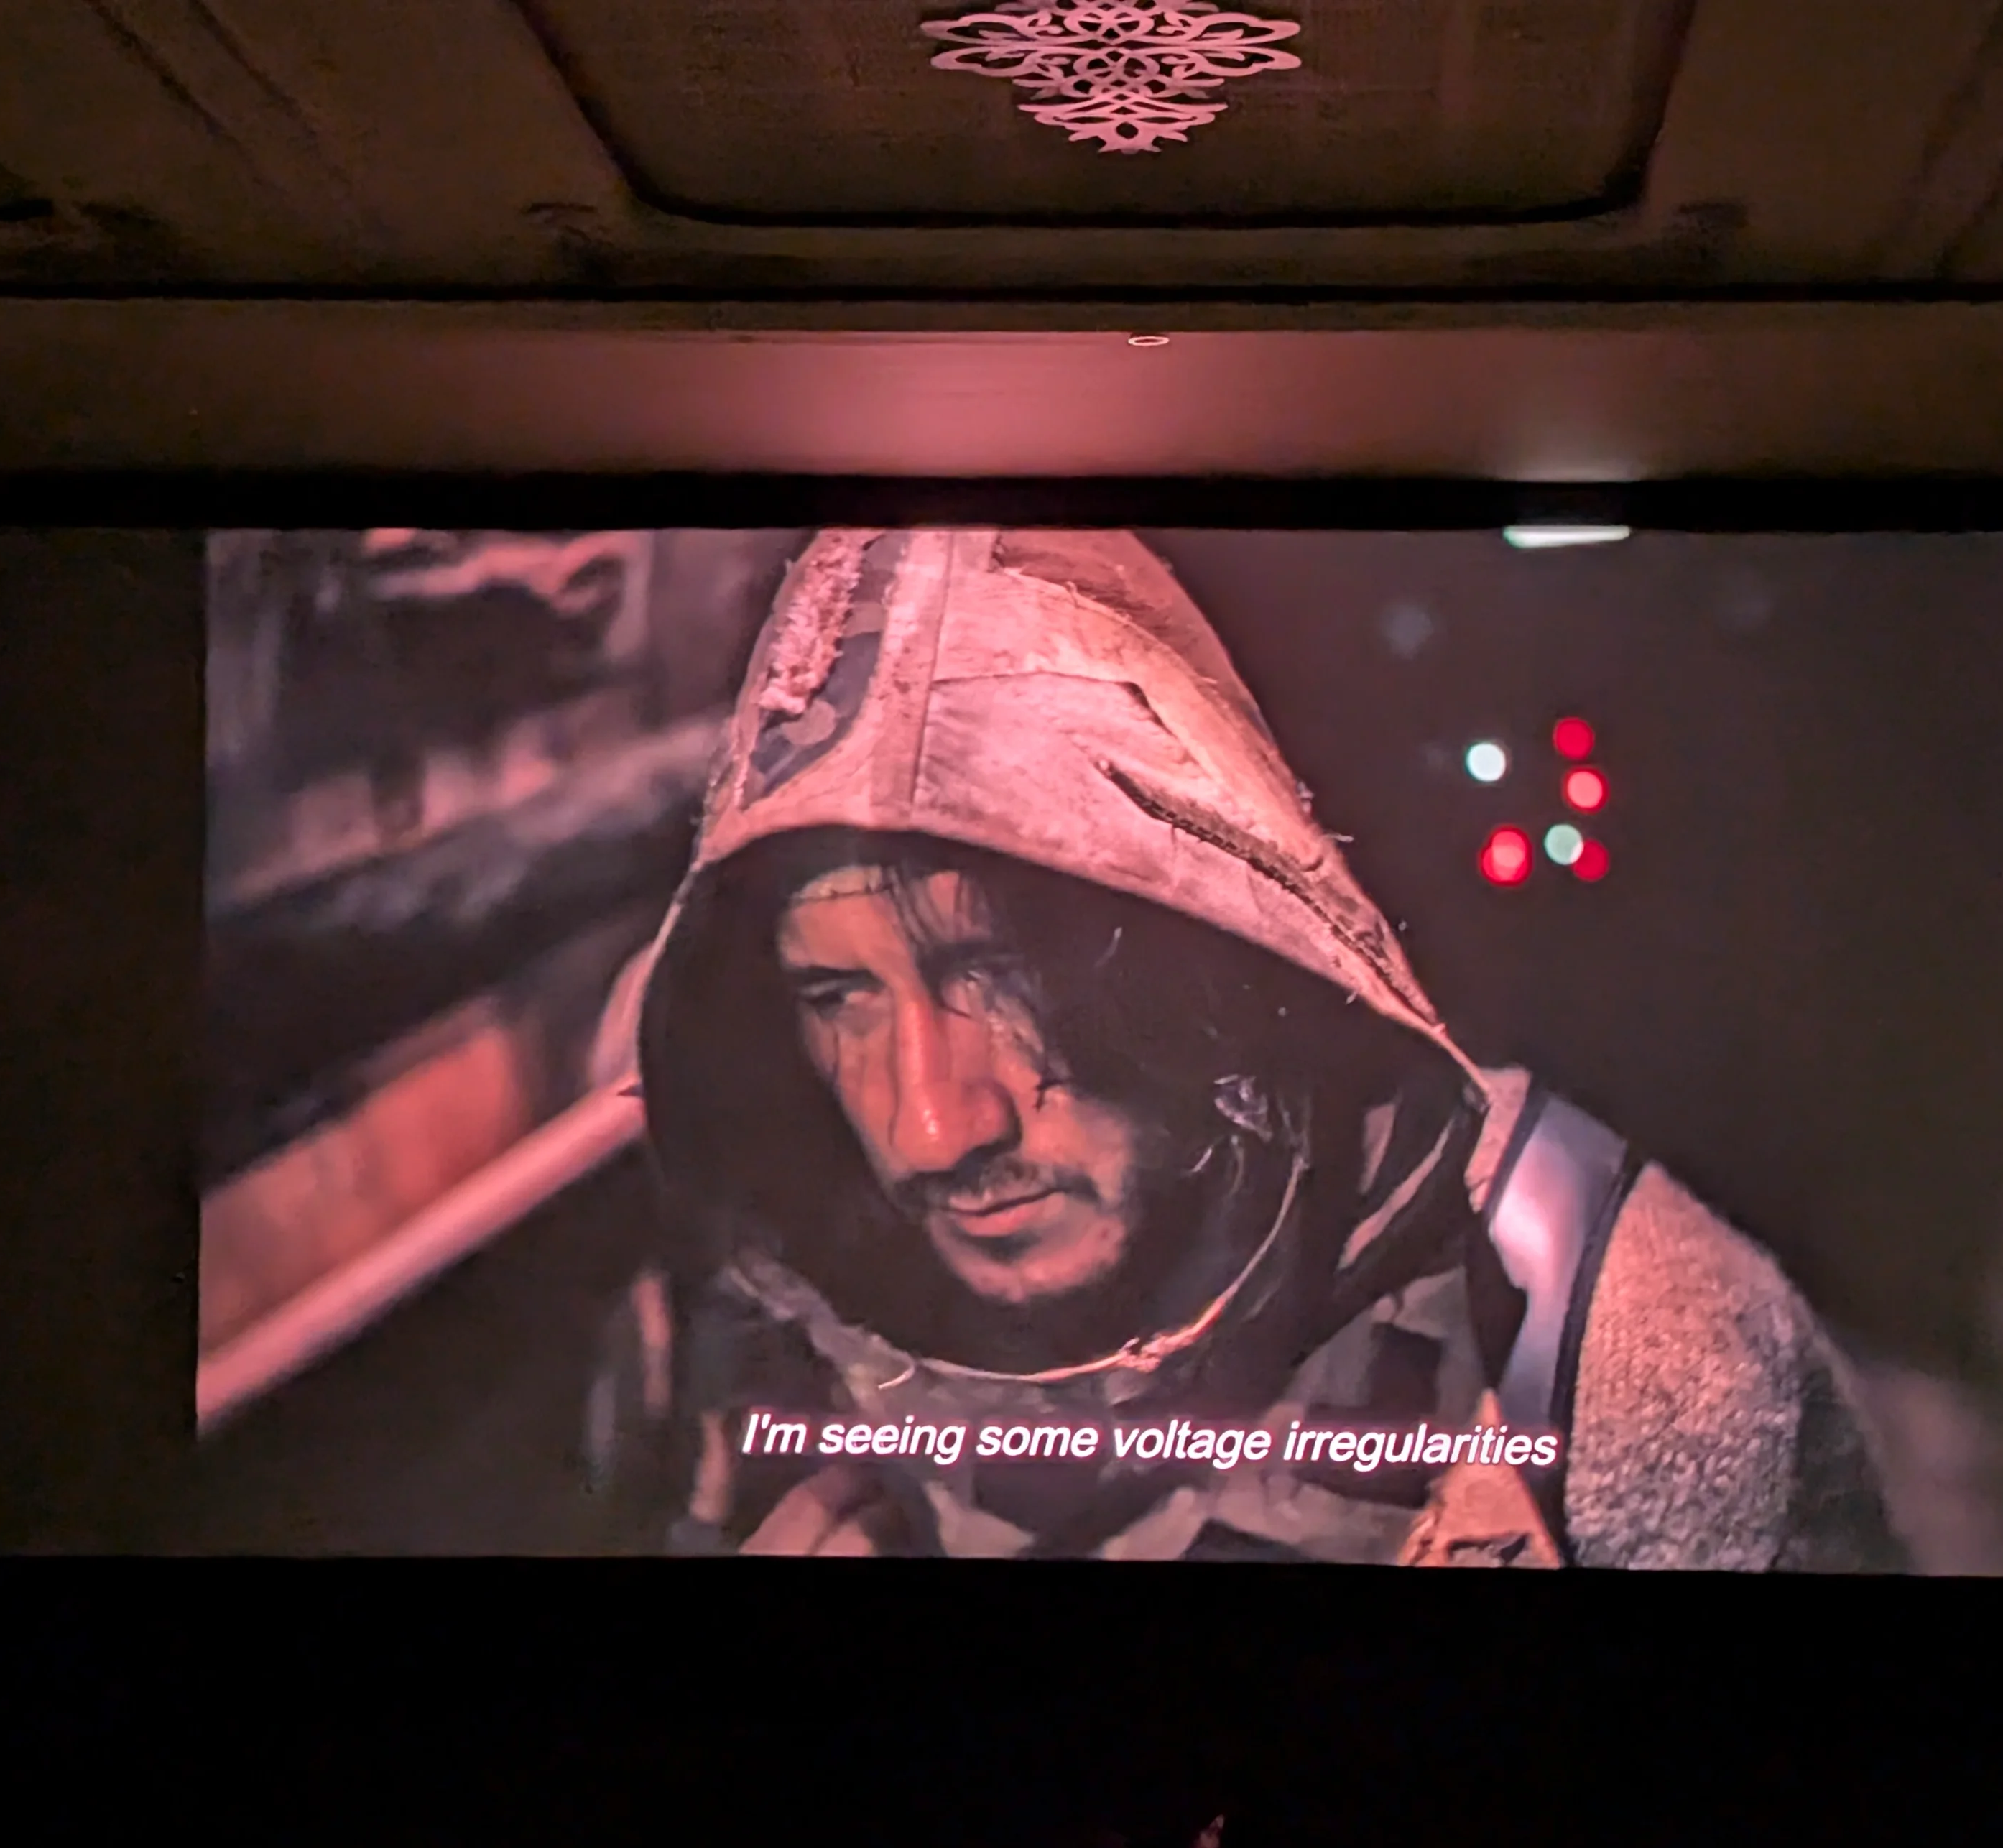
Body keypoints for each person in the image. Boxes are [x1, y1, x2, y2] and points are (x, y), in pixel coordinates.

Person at [581, 527, 1905, 1567]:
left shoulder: (1599, 1333)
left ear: (1206, 965)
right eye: (838, 999)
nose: (935, 1129)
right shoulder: (764, 1331)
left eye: (994, 975)